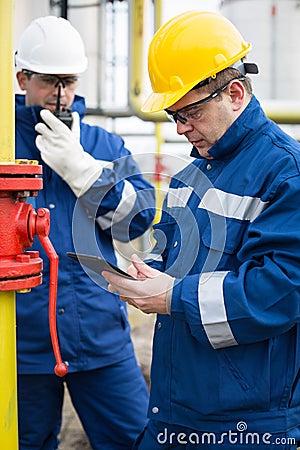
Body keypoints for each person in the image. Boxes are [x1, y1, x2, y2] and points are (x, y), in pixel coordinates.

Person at [103, 10, 300, 450]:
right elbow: (172, 252)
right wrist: (145, 271)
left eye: (189, 112)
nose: (179, 128)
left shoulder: (286, 173)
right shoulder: (188, 176)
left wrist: (174, 297)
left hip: (249, 422)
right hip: (176, 404)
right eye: (174, 114)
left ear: (234, 92)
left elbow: (281, 290)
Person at [15, 15, 155, 450]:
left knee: (135, 440)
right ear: (22, 78)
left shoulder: (102, 146)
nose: (61, 96)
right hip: (20, 345)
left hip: (98, 336)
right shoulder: (3, 144)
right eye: (49, 82)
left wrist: (84, 171)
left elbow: (138, 218)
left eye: (69, 82)